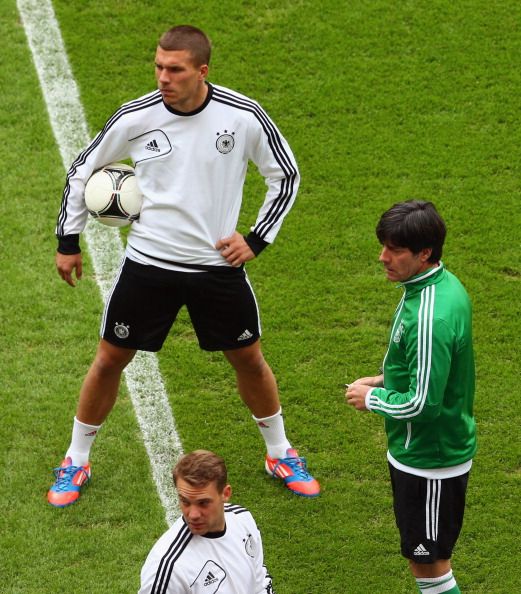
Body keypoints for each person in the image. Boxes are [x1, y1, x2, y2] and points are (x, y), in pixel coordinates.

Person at [48, 24, 319, 507]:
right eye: (158, 66)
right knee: (110, 359)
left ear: (201, 70)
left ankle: (280, 452)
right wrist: (69, 239)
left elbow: (286, 174)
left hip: (216, 268)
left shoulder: (243, 117)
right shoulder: (137, 116)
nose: (163, 77)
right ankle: (76, 460)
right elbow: (81, 170)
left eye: (174, 69)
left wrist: (257, 238)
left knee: (249, 359)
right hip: (149, 262)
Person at [345, 200, 476, 594]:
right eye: (383, 246)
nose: (383, 257)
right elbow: (432, 366)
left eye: (395, 250)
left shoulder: (430, 316)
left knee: (430, 568)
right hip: (424, 453)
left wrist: (372, 398)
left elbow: (422, 403)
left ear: (424, 253)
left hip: (429, 459)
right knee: (426, 561)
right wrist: (386, 376)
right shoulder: (434, 285)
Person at [138, 450, 275, 593]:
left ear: (225, 493)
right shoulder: (169, 566)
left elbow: (259, 583)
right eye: (185, 501)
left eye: (203, 503)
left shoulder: (243, 520)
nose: (193, 514)